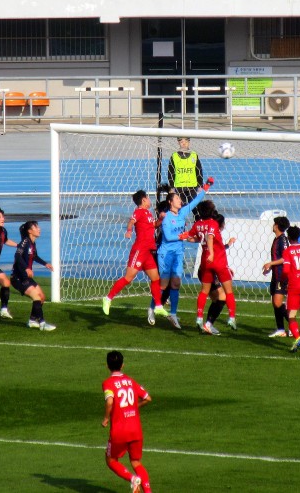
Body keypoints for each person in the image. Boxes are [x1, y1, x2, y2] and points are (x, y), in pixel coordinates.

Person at [148, 177, 214, 329]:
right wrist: (182, 236)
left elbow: (195, 201)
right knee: (163, 286)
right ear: (171, 202)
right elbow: (168, 237)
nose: (180, 200)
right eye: (177, 198)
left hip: (178, 253)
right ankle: (152, 308)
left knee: (176, 283)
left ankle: (173, 314)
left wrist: (206, 187)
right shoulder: (166, 217)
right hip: (165, 254)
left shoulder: (183, 212)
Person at [102, 190, 169, 319]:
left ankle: (159, 306)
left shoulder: (148, 213)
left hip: (148, 252)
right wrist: (128, 231)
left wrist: (160, 219)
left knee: (155, 278)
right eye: (148, 198)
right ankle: (108, 298)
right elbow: (131, 222)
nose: (150, 200)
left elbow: (153, 225)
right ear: (143, 200)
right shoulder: (138, 212)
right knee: (128, 278)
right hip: (139, 250)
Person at [262, 225, 300, 353]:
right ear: (299, 237)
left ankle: (297, 337)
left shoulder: (287, 251)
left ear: (288, 237)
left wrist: (283, 281)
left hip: (294, 285)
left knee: (291, 315)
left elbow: (286, 270)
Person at [102, 350, 152, 493]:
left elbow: (110, 402)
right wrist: (134, 406)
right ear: (122, 365)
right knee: (136, 461)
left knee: (111, 460)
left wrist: (106, 418)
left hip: (119, 430)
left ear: (107, 366)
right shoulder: (130, 381)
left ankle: (132, 479)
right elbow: (148, 398)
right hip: (136, 428)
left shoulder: (108, 383)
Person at [184, 203, 237, 334]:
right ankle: (230, 318)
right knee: (226, 294)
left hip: (204, 264)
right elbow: (210, 238)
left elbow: (192, 237)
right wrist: (212, 253)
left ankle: (200, 318)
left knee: (206, 292)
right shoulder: (213, 224)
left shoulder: (197, 224)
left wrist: (182, 236)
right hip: (217, 261)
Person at [11, 221, 56, 331]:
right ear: (30, 231)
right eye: (36, 227)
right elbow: (17, 255)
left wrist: (45, 264)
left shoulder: (32, 243)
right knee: (36, 297)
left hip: (26, 277)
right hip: (18, 278)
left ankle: (31, 320)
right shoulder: (24, 242)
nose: (39, 229)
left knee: (42, 298)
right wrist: (26, 268)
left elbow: (34, 256)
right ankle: (42, 324)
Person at [267, 215, 291, 338]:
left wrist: (271, 263)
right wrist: (270, 267)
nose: (273, 225)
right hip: (275, 274)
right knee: (275, 303)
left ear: (277, 226)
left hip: (282, 275)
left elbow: (286, 258)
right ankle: (281, 329)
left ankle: (292, 326)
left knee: (277, 303)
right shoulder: (277, 239)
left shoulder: (283, 240)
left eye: (274, 223)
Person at [166, 137, 204, 210]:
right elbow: (171, 172)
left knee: (195, 208)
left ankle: (197, 221)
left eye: (186, 141)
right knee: (180, 208)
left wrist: (200, 185)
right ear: (178, 143)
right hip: (179, 187)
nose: (184, 143)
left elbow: (198, 170)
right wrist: (171, 186)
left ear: (189, 142)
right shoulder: (174, 156)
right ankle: (181, 221)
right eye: (182, 141)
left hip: (192, 187)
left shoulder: (194, 155)